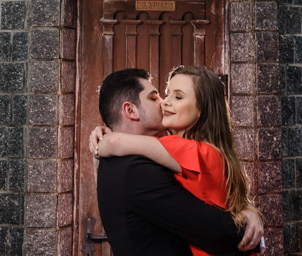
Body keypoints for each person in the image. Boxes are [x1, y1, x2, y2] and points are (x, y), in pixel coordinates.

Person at [90, 67, 264, 256]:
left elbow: (115, 142)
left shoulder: (179, 150)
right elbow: (219, 231)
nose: (164, 103)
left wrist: (248, 209)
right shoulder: (137, 170)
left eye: (178, 97)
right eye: (154, 97)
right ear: (131, 110)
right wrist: (248, 225)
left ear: (201, 110)